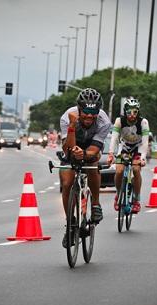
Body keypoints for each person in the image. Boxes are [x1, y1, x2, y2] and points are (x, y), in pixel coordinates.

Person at [60, 88, 112, 247]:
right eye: (86, 112)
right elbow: (66, 149)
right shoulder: (67, 117)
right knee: (67, 182)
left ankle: (96, 204)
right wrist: (72, 126)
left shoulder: (104, 121)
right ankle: (70, 223)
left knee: (93, 164)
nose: (89, 116)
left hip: (91, 148)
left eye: (93, 112)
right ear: (80, 109)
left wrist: (84, 153)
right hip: (72, 144)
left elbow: (95, 149)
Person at [107, 97, 150, 214]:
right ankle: (118, 194)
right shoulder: (119, 121)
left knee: (136, 170)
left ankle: (136, 200)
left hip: (138, 147)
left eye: (135, 112)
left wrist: (143, 158)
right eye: (129, 112)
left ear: (138, 112)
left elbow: (145, 142)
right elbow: (114, 139)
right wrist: (111, 154)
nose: (132, 115)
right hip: (124, 147)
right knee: (119, 171)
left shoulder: (143, 122)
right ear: (124, 112)